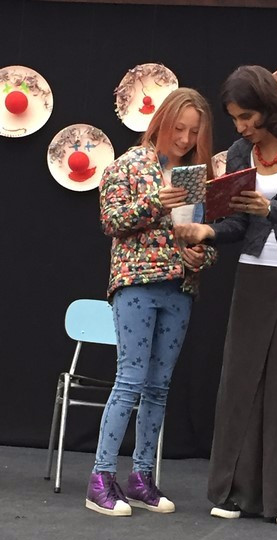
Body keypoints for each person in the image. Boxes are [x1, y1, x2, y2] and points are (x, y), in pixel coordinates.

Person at [175, 66, 277, 526]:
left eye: (247, 116)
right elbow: (236, 223)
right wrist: (206, 231)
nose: (242, 126)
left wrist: (272, 208)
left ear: (269, 107)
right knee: (240, 383)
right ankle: (235, 494)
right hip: (254, 272)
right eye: (234, 118)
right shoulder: (238, 152)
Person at [85, 88, 216, 517]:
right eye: (178, 128)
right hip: (136, 283)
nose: (184, 139)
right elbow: (110, 221)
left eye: (193, 132)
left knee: (159, 387)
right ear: (160, 122)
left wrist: (201, 255)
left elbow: (208, 237)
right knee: (130, 380)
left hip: (180, 288)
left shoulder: (197, 177)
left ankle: (141, 477)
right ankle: (101, 478)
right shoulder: (129, 164)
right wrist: (154, 202)